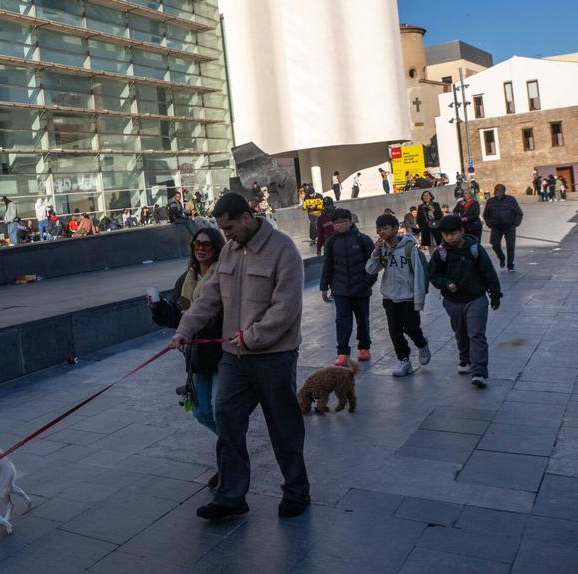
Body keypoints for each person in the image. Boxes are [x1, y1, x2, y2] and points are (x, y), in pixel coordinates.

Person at [170, 192, 309, 521]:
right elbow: (209, 296)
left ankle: (296, 491)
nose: (226, 235)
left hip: (274, 356)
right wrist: (185, 329)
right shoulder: (230, 251)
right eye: (222, 229)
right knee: (227, 419)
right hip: (233, 356)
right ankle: (231, 496)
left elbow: (286, 307)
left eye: (229, 227)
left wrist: (253, 336)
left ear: (247, 217)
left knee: (283, 425)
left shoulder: (283, 250)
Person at [150, 227, 226, 449]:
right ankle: (232, 445)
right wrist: (158, 307)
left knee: (219, 410)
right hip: (197, 356)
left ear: (216, 248)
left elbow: (228, 315)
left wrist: (196, 322)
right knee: (200, 412)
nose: (200, 249)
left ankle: (231, 453)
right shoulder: (186, 279)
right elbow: (178, 317)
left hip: (221, 354)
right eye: (196, 244)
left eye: (206, 244)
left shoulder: (224, 276)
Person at [428, 214, 502, 388]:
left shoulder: (474, 249)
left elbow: (489, 272)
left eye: (453, 233)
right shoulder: (441, 253)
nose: (450, 238)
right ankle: (465, 359)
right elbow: (432, 274)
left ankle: (479, 372)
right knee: (460, 331)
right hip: (452, 300)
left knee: (476, 334)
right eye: (446, 234)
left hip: (476, 298)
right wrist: (446, 283)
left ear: (461, 231)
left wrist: (495, 294)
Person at [366, 214, 431, 377]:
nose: (381, 232)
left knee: (411, 328)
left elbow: (419, 275)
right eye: (379, 229)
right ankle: (404, 360)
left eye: (385, 228)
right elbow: (370, 269)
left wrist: (419, 301)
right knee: (394, 330)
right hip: (390, 297)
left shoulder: (409, 248)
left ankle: (422, 344)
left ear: (396, 229)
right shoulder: (382, 249)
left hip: (408, 298)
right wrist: (376, 252)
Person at [319, 208, 376, 366]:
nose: (340, 225)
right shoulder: (331, 243)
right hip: (340, 290)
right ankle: (342, 352)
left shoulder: (363, 239)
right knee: (342, 321)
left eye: (343, 222)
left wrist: (367, 282)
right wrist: (324, 286)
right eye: (336, 223)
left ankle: (364, 347)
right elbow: (327, 266)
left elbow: (374, 264)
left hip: (361, 289)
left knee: (362, 320)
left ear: (351, 222)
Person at [483, 184, 524, 272]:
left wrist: (516, 224)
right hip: (496, 227)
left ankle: (510, 265)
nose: (495, 191)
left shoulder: (511, 199)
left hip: (509, 227)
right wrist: (489, 223)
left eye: (497, 189)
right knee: (495, 245)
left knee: (510, 246)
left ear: (503, 191)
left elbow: (519, 213)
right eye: (495, 189)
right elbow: (485, 214)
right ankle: (501, 257)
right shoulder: (490, 201)